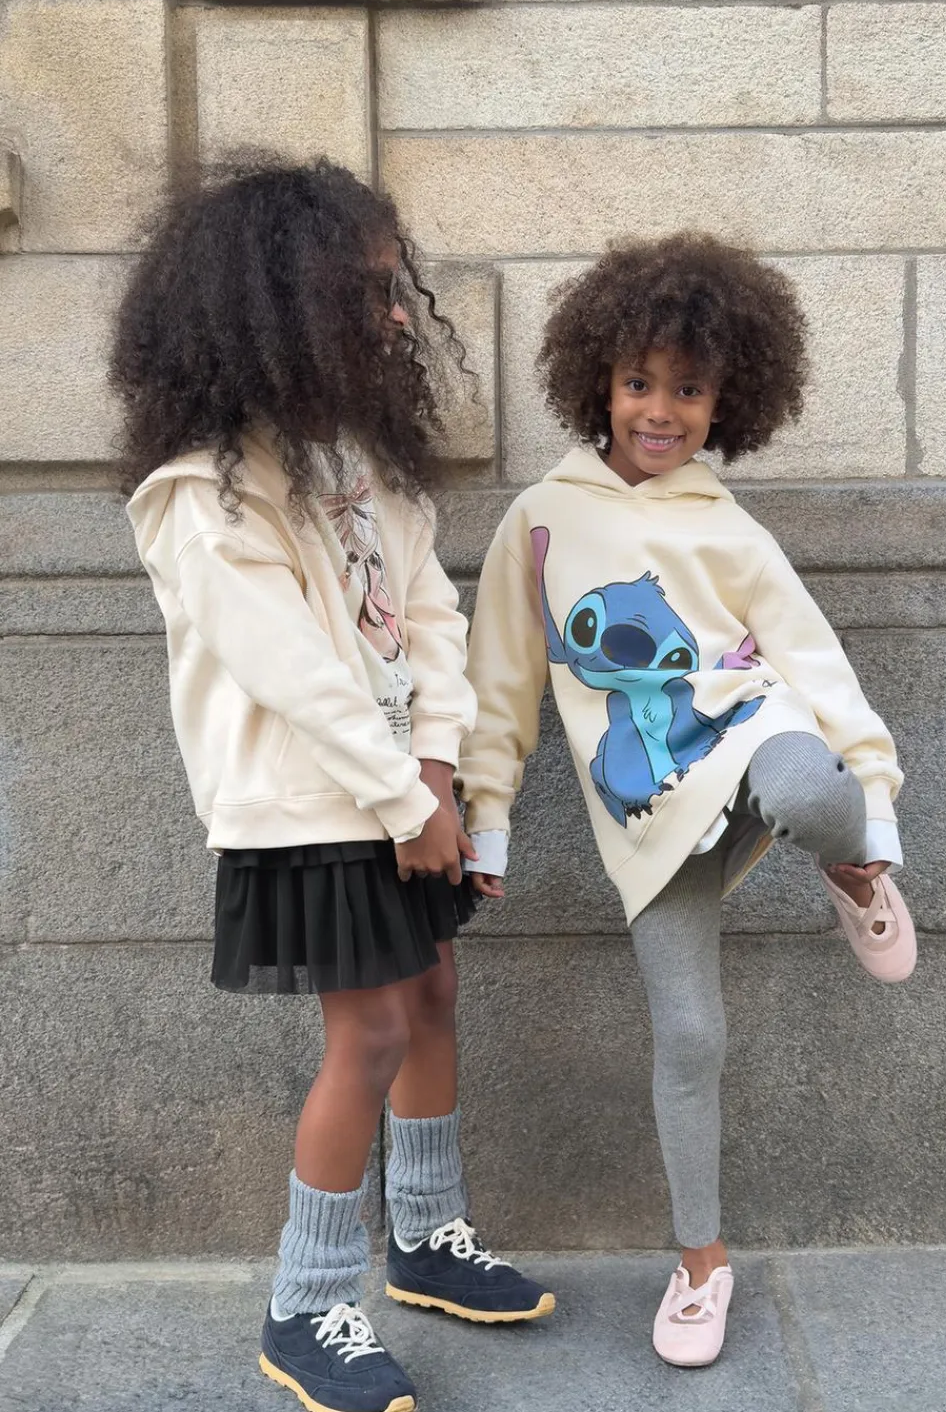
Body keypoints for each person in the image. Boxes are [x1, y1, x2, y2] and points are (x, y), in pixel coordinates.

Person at [113, 158, 554, 1412]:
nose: (398, 314)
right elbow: (294, 673)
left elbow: (427, 615)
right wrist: (406, 800)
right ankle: (305, 1305)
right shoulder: (201, 494)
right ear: (277, 306)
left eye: (392, 288)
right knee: (368, 1033)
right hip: (310, 807)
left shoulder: (358, 458)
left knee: (433, 992)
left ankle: (423, 1235)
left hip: (404, 788)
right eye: (366, 293)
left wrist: (440, 771)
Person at [458, 233, 915, 1370]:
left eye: (690, 389)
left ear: (726, 402)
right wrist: (487, 813)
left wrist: (872, 800)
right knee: (690, 1033)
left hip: (750, 728)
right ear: (598, 384)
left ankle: (851, 869)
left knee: (807, 783)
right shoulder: (540, 520)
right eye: (638, 383)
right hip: (651, 810)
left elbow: (813, 661)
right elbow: (502, 680)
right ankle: (702, 1260)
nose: (660, 410)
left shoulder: (729, 527)